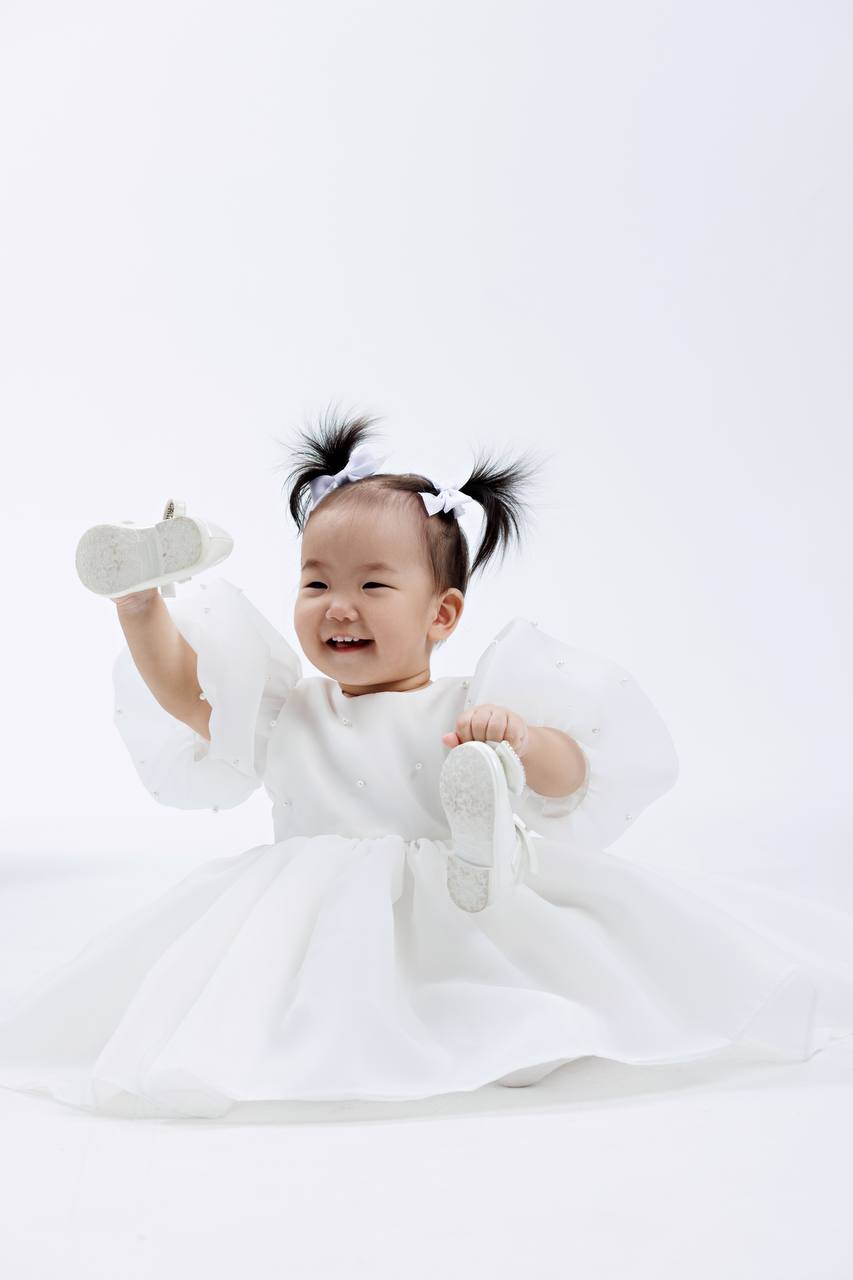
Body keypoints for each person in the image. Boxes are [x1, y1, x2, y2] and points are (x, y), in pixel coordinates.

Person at [0, 410, 851, 1119]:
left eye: (373, 586)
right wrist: (139, 607)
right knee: (274, 1001)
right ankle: (376, 1026)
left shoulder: (466, 708)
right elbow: (189, 694)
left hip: (454, 891)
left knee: (501, 996)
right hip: (308, 904)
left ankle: (492, 865)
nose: (338, 607)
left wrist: (518, 740)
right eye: (315, 584)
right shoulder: (288, 711)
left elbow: (573, 778)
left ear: (441, 614)